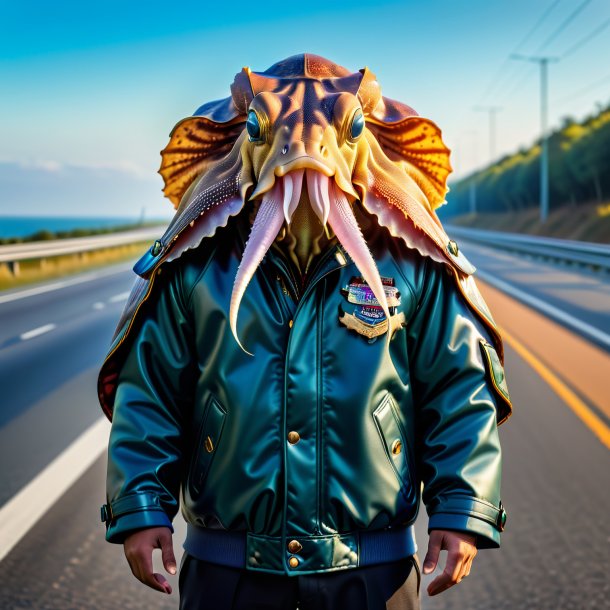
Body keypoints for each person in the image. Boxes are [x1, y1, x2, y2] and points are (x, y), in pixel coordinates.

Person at [97, 54, 512, 610]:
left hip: (372, 567)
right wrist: (140, 505)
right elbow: (150, 392)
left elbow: (458, 389)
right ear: (245, 142)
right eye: (264, 131)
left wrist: (464, 506)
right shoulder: (195, 266)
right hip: (228, 566)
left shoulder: (412, 264)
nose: (303, 152)